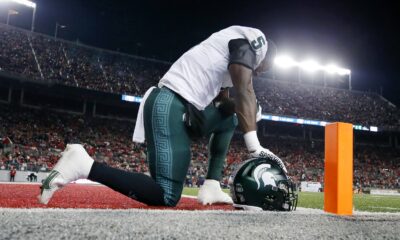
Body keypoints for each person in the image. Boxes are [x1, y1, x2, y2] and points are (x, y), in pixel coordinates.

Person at [39, 25, 286, 207]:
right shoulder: (253, 42)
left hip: (187, 110)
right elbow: (245, 91)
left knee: (228, 117)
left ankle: (211, 185)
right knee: (166, 195)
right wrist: (255, 146)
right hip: (169, 104)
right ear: (264, 56)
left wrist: (250, 109)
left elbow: (224, 103)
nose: (260, 73)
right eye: (263, 69)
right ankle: (85, 165)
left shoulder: (226, 57)